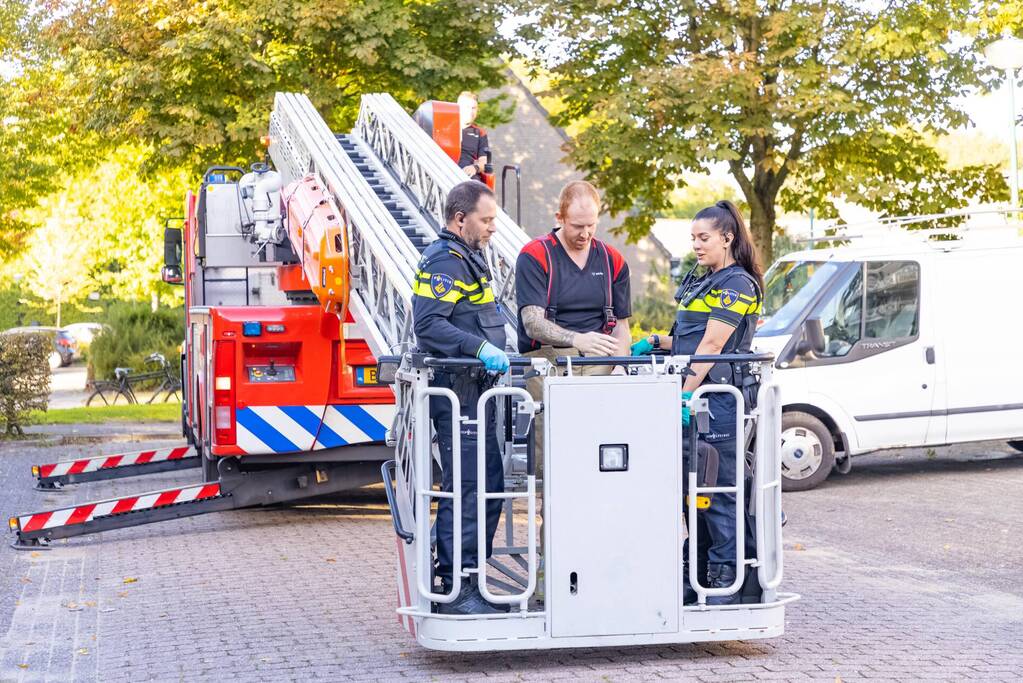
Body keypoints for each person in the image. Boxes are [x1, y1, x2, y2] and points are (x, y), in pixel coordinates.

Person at [632, 200, 763, 606]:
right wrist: (656, 342)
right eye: (692, 238)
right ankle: (700, 572)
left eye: (703, 238)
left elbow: (712, 345)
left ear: (728, 238)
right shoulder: (704, 280)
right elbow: (691, 340)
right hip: (696, 397)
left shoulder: (737, 284)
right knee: (694, 491)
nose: (696, 246)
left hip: (716, 400)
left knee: (718, 489)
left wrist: (686, 392)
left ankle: (724, 581)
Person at [514, 180, 632, 589]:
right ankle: (553, 576)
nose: (584, 234)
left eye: (591, 226)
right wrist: (576, 340)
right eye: (576, 226)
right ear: (559, 218)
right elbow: (531, 321)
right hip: (550, 367)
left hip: (599, 369)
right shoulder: (535, 256)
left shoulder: (612, 260)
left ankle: (606, 569)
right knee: (560, 478)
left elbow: (623, 327)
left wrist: (620, 363)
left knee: (606, 471)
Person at [412, 180, 510, 615]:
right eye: (486, 220)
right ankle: (455, 588)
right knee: (469, 490)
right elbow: (429, 325)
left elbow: (480, 318)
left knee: (489, 488)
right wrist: (480, 350)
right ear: (460, 219)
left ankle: (468, 577)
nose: (492, 228)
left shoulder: (470, 259)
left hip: (476, 395)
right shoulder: (443, 261)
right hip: (458, 395)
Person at [457, 92, 490, 182]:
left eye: (474, 108)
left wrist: (475, 167)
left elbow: (484, 161)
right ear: (458, 108)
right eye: (467, 107)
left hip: (467, 176)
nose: (471, 111)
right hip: (442, 172)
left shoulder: (480, 133)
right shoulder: (444, 127)